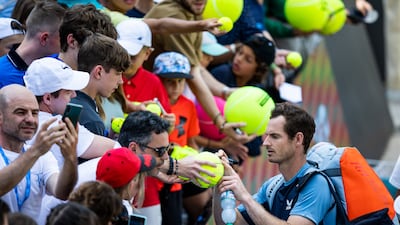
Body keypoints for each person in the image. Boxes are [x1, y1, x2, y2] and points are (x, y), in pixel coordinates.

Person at [144, 0, 256, 147]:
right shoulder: (176, 14)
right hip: (143, 99)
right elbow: (193, 75)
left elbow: (197, 68)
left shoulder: (192, 12)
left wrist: (225, 91)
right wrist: (220, 122)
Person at [213, 102, 337, 225]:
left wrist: (245, 197)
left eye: (275, 136)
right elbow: (229, 222)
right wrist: (220, 183)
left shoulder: (317, 183)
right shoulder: (273, 186)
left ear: (298, 139)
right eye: (267, 136)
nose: (266, 143)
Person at [0, 84, 78, 223]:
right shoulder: (38, 152)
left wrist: (70, 157)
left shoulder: (43, 156)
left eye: (35, 113)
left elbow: (62, 192)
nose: (30, 119)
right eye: (20, 112)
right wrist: (35, 151)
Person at [153, 51, 203, 225]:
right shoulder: (150, 106)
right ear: (158, 80)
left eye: (180, 81)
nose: (176, 86)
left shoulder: (189, 106)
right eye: (170, 81)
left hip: (176, 178)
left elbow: (192, 141)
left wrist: (197, 159)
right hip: (153, 175)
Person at [70, 33, 130, 136]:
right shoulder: (92, 122)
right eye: (118, 73)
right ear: (98, 72)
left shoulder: (65, 101)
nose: (121, 81)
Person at [0, 1, 65, 88]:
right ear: (44, 38)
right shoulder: (2, 75)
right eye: (62, 38)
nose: (65, 44)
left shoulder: (59, 66)